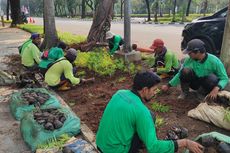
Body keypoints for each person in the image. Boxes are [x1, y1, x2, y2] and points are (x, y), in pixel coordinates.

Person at [96, 71, 203, 153]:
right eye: (154, 90)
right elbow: (153, 147)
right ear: (145, 90)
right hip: (115, 151)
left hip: (100, 144)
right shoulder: (141, 112)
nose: (155, 93)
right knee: (149, 124)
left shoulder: (120, 93)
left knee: (151, 116)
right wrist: (184, 142)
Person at [161, 39, 229, 100]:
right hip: (194, 83)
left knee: (212, 78)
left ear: (198, 52)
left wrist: (216, 88)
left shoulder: (214, 61)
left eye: (190, 53)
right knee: (185, 71)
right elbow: (180, 74)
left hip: (206, 84)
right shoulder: (188, 60)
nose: (188, 54)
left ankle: (201, 93)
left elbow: (224, 78)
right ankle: (185, 92)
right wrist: (168, 85)